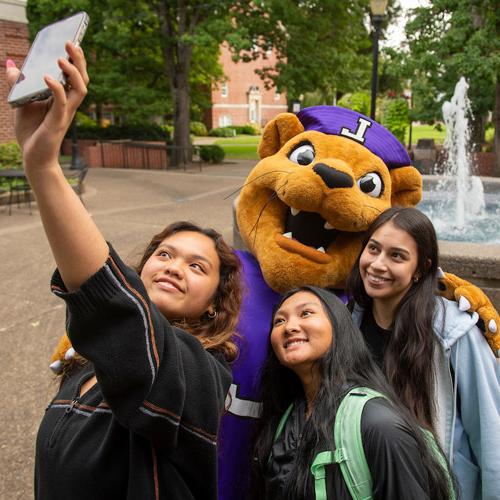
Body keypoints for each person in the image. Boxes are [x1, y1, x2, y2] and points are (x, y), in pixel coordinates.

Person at [5, 43, 242, 499]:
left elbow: (119, 314)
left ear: (215, 303)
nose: (174, 268)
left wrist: (43, 167)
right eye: (165, 254)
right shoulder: (86, 363)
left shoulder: (202, 378)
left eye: (197, 266)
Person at [346, 207, 500, 500]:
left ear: (420, 269)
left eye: (397, 256)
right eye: (373, 249)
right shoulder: (349, 320)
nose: (378, 264)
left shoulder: (454, 333)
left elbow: (491, 434)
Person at [252, 286, 454, 500]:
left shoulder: (377, 422)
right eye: (279, 321)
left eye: (306, 313)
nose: (289, 327)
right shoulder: (287, 415)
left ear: (339, 326)